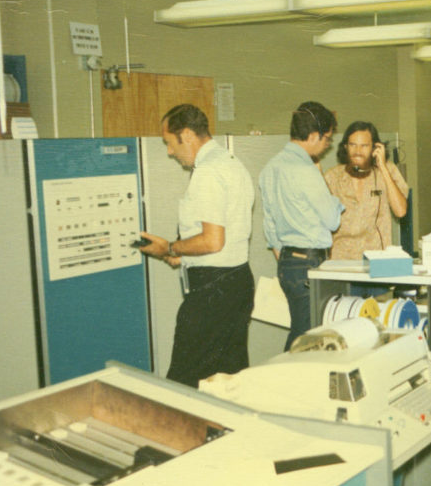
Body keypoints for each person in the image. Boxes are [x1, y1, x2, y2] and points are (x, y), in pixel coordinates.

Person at [138, 104, 255, 388]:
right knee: (228, 380)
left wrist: (170, 249)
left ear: (187, 135)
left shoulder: (208, 172)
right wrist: (184, 256)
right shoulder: (231, 163)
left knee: (184, 381)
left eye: (169, 143)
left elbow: (213, 241)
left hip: (211, 293)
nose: (169, 152)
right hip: (236, 283)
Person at [259, 101, 343, 350]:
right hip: (309, 263)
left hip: (287, 263)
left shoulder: (270, 168)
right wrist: (334, 199)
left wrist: (285, 254)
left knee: (303, 334)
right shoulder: (306, 170)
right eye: (327, 139)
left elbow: (270, 225)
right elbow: (332, 220)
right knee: (305, 341)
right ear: (314, 135)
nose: (327, 145)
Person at [324, 121, 409, 260]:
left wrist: (383, 168)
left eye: (364, 146)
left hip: (377, 260)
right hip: (341, 260)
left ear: (375, 148)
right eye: (353, 145)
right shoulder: (332, 177)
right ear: (345, 147)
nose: (357, 152)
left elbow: (401, 211)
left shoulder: (388, 170)